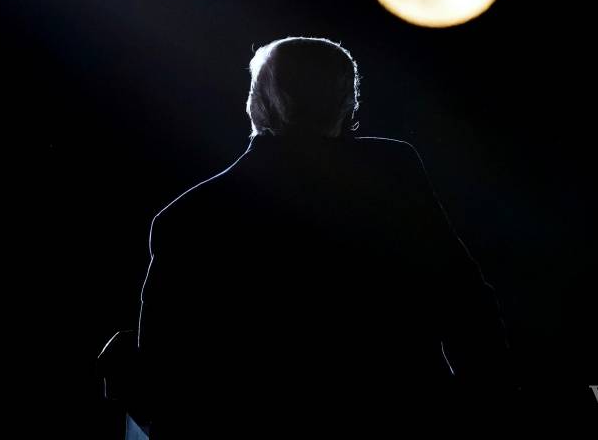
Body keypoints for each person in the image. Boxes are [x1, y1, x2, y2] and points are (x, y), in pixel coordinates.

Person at [137, 37, 508, 435]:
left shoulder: (188, 218)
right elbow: (464, 300)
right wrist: (489, 407)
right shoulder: (392, 173)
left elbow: (162, 372)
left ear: (254, 101)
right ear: (348, 104)